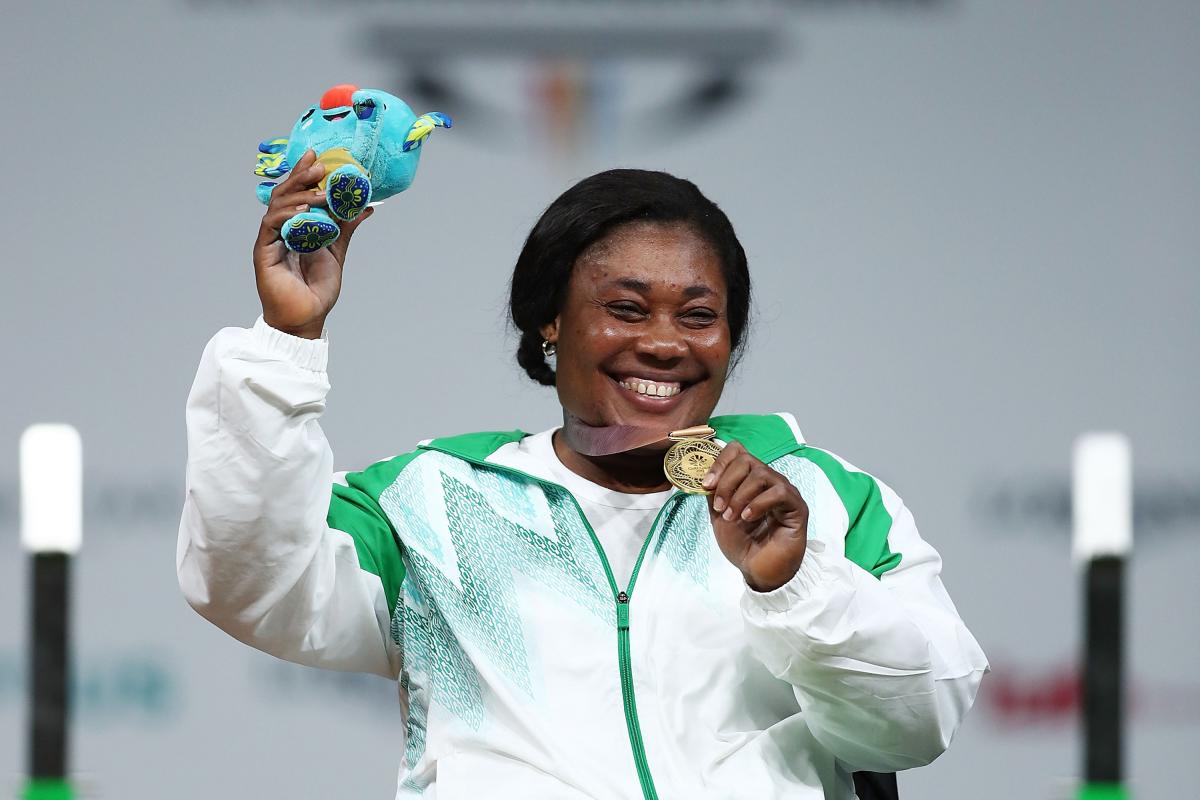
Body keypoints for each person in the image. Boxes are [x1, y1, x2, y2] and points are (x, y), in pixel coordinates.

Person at [177, 150, 988, 799]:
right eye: (627, 309)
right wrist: (285, 344)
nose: (666, 343)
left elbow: (917, 725)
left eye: (699, 316)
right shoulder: (436, 499)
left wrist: (798, 588)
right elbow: (250, 582)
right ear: (551, 323)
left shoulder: (820, 495)